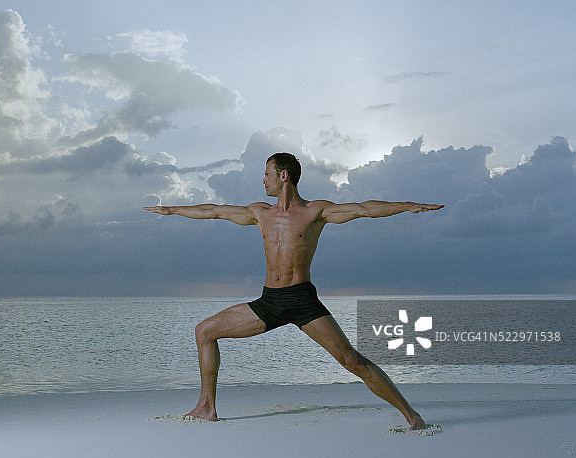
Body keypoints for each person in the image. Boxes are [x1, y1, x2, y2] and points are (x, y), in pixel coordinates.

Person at [144, 152, 443, 428]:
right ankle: (206, 407)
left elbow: (363, 209)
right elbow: (214, 211)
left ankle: (412, 416)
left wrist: (407, 206)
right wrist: (171, 210)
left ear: (283, 176)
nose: (263, 180)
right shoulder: (259, 213)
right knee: (204, 331)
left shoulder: (316, 211)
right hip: (269, 301)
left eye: (266, 174)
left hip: (302, 301)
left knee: (351, 359)